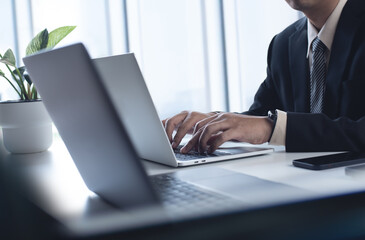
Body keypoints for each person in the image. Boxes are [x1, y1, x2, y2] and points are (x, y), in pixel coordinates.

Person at [163, 0, 365, 154]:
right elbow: (261, 116)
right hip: (303, 187)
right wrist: (212, 122)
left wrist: (272, 126)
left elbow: (274, 125)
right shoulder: (284, 43)